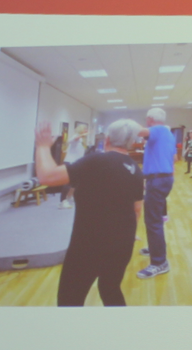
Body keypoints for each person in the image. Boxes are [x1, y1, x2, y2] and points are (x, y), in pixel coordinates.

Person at [34, 118, 143, 305]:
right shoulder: (135, 169)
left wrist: (43, 146)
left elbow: (47, 176)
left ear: (107, 139)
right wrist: (129, 233)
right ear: (131, 142)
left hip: (89, 245)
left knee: (70, 298)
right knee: (110, 289)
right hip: (123, 243)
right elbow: (137, 209)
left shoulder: (96, 160)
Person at [137, 107, 174, 278]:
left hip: (158, 180)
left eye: (146, 120)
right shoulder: (167, 134)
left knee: (153, 221)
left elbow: (138, 131)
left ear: (150, 119)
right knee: (155, 219)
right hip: (161, 178)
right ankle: (155, 249)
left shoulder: (158, 129)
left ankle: (159, 262)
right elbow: (172, 158)